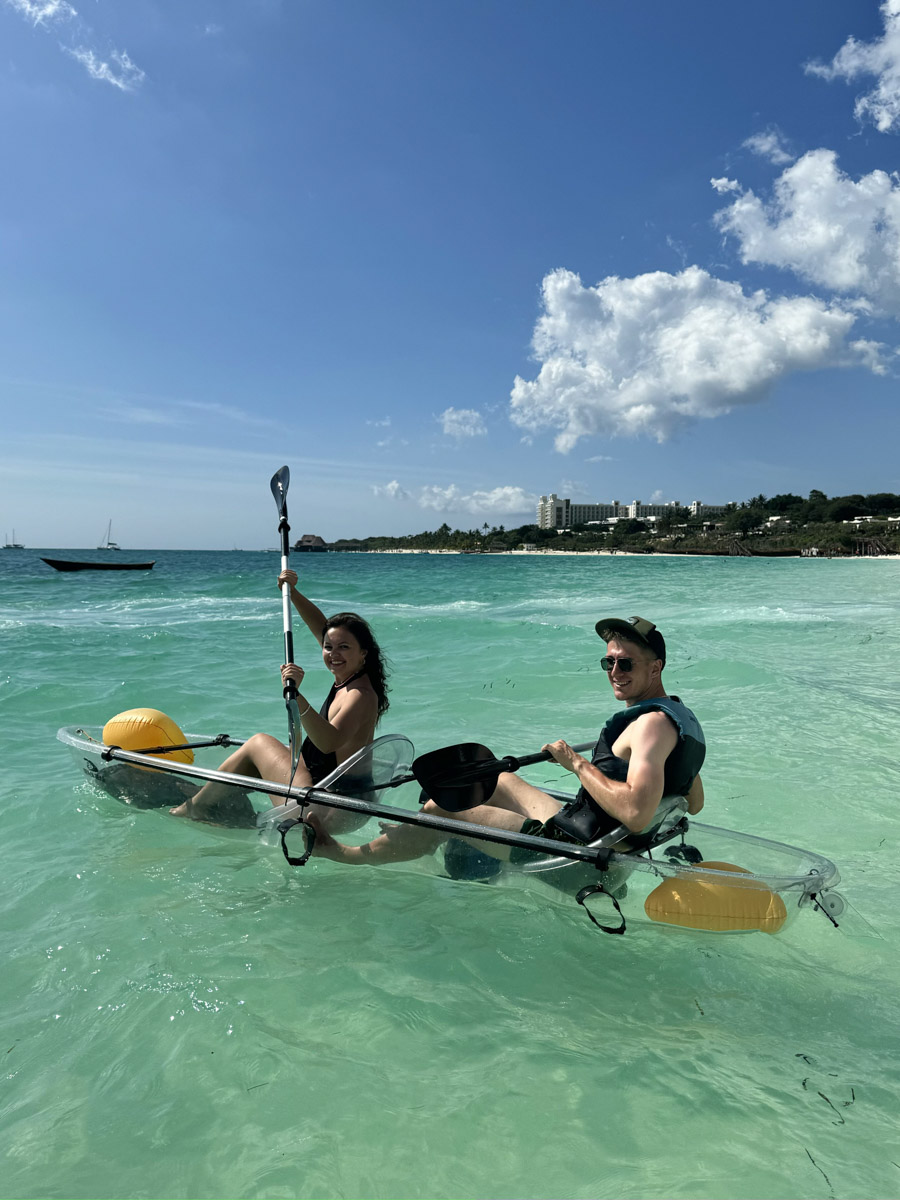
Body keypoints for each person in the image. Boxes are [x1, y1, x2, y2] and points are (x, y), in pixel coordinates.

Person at [306, 615, 704, 866]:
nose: (614, 671)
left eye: (626, 663)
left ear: (656, 667)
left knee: (441, 807)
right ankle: (468, 857)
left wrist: (577, 764)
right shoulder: (679, 718)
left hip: (575, 857)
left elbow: (635, 813)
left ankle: (350, 855)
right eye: (608, 661)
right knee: (498, 778)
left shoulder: (650, 725)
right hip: (586, 829)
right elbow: (693, 799)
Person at [170, 568, 390, 826]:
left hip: (327, 808)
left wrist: (297, 695)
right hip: (335, 798)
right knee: (265, 752)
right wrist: (292, 593)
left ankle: (195, 808)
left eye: (344, 647)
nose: (333, 654)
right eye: (328, 647)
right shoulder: (353, 675)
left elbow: (329, 742)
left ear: (363, 653)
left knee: (258, 743)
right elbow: (322, 627)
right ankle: (215, 797)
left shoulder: (359, 694)